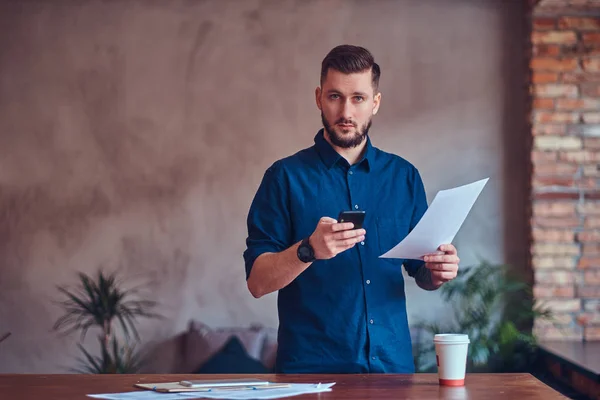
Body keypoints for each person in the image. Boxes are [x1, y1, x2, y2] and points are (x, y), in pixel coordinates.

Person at [243, 44, 460, 373]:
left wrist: (439, 271)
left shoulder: (404, 178)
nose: (346, 111)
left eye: (358, 98)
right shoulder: (283, 178)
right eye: (335, 96)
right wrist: (308, 249)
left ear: (375, 103)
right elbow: (257, 282)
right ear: (319, 98)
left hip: (393, 373)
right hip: (311, 376)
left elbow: (422, 272)